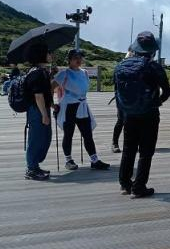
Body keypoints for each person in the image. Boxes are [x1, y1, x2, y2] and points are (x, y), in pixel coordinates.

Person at [116, 31, 170, 198]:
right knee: (146, 151)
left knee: (128, 149)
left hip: (129, 113)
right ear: (152, 50)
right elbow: (167, 92)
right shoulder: (154, 67)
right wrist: (156, 102)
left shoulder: (121, 65)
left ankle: (125, 184)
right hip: (149, 114)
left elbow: (117, 92)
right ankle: (139, 187)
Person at [53, 49, 110, 171]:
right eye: (75, 58)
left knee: (87, 134)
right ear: (69, 60)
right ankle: (68, 160)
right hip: (69, 106)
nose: (78, 60)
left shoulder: (84, 72)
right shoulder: (64, 74)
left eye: (80, 57)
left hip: (82, 106)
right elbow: (50, 87)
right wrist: (52, 105)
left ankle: (94, 160)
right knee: (68, 134)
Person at [23, 43, 54, 181]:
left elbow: (45, 92)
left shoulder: (41, 71)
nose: (51, 55)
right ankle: (31, 169)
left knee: (44, 137)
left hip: (41, 109)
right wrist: (44, 115)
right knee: (36, 139)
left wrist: (51, 105)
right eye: (48, 52)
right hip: (37, 110)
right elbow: (38, 96)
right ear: (41, 54)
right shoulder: (36, 73)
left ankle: (35, 166)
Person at [110, 50, 133, 154]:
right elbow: (115, 82)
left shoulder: (136, 68)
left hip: (133, 99)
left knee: (132, 121)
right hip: (121, 99)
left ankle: (130, 143)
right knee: (121, 120)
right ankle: (114, 143)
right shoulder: (119, 68)